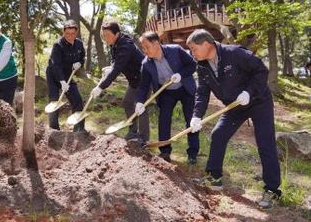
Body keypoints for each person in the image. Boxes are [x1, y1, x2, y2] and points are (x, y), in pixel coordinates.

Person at [186, 29, 281, 209]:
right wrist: (197, 115)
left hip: (258, 101)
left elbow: (261, 70)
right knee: (218, 134)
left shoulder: (235, 53)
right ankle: (215, 177)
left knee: (265, 144)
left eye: (193, 48)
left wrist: (249, 92)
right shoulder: (202, 66)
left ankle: (272, 189)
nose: (192, 53)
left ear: (206, 44)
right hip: (234, 105)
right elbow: (202, 93)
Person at [135, 31, 199, 164]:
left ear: (156, 43)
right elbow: (144, 86)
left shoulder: (175, 50)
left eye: (146, 46)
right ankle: (165, 152)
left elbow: (192, 65)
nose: (144, 50)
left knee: (191, 120)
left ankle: (192, 153)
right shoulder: (146, 64)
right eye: (142, 48)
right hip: (166, 93)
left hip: (185, 88)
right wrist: (140, 102)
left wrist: (180, 74)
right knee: (164, 120)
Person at [90, 21, 146, 142]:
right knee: (127, 102)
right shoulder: (115, 44)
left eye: (108, 35)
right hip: (134, 80)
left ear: (117, 34)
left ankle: (143, 138)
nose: (105, 38)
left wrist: (101, 86)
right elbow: (116, 62)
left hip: (144, 79)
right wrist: (110, 67)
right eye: (103, 35)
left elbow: (117, 69)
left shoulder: (125, 45)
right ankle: (133, 132)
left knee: (140, 106)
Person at [46, 19, 86, 132]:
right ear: (63, 32)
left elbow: (82, 57)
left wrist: (80, 63)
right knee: (54, 100)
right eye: (67, 33)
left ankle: (79, 128)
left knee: (77, 99)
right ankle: (54, 129)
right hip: (54, 75)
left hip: (69, 74)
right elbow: (56, 65)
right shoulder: (58, 45)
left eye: (72, 34)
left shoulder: (79, 44)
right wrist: (62, 81)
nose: (70, 36)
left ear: (76, 33)